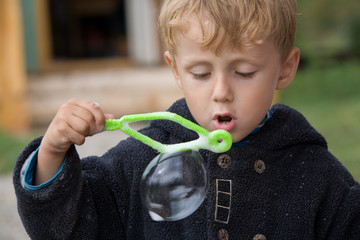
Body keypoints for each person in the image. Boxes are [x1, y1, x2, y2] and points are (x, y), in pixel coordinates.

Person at [14, 0, 360, 239]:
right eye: (200, 73)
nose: (221, 91)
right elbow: (67, 227)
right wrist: (51, 153)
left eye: (243, 72)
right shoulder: (147, 157)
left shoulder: (314, 174)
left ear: (285, 68)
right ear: (176, 69)